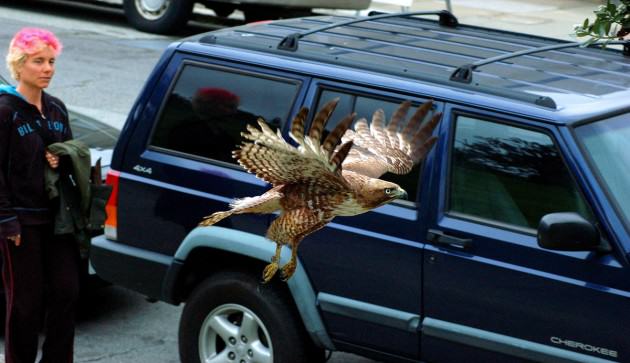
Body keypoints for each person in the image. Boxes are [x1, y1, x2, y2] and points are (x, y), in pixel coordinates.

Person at [0, 28, 79, 363]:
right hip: (21, 222)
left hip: (58, 218)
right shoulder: (5, 112)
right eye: (38, 62)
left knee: (67, 292)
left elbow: (72, 158)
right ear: (19, 66)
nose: (47, 68)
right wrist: (6, 221)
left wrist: (62, 159)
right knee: (25, 303)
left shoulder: (57, 109)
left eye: (51, 61)